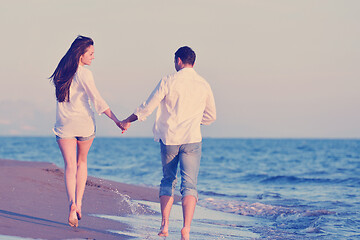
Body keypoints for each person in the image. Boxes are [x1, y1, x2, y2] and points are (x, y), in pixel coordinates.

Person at [120, 46, 216, 240]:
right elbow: (211, 116)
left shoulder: (168, 81)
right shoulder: (203, 84)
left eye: (175, 61)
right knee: (190, 185)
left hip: (170, 138)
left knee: (168, 180)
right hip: (192, 138)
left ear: (179, 61)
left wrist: (127, 121)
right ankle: (186, 229)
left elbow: (147, 107)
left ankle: (164, 225)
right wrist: (195, 121)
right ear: (194, 63)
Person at [49, 35, 125, 227]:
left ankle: (71, 204)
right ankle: (80, 203)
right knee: (81, 162)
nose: (93, 57)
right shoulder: (84, 74)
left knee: (69, 166)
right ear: (81, 54)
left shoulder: (61, 71)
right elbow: (97, 100)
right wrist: (116, 119)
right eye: (90, 53)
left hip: (64, 124)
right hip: (83, 124)